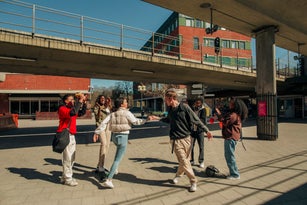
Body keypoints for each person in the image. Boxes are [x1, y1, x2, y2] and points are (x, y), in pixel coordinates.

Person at [148, 88, 213, 192]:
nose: (165, 101)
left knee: (184, 162)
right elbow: (168, 120)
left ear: (171, 98)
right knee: (184, 161)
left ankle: (178, 175)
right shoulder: (170, 110)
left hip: (187, 139)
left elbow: (195, 120)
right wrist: (156, 118)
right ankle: (193, 181)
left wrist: (207, 130)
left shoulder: (184, 107)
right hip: (176, 140)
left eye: (166, 99)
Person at [94, 97, 146, 188]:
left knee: (118, 153)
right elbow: (136, 122)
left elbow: (103, 123)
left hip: (114, 137)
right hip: (123, 137)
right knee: (118, 159)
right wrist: (146, 119)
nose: (127, 103)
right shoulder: (127, 113)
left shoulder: (112, 114)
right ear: (122, 104)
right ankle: (109, 180)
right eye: (125, 102)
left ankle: (115, 169)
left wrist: (96, 132)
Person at [57, 93, 87, 186]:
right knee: (67, 157)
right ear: (65, 101)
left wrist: (83, 103)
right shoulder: (62, 109)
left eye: (73, 100)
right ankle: (68, 178)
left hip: (72, 134)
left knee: (72, 157)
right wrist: (80, 101)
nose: (73, 101)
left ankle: (64, 176)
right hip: (65, 134)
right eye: (71, 100)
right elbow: (72, 113)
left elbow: (81, 113)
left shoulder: (71, 108)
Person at [215, 97, 248, 180]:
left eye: (231, 103)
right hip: (231, 137)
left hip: (231, 137)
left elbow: (225, 121)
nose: (229, 104)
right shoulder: (234, 114)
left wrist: (218, 114)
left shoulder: (233, 115)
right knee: (229, 155)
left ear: (235, 105)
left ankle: (235, 174)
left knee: (229, 156)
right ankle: (233, 172)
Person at [93, 95, 112, 174]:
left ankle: (100, 165)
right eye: (101, 99)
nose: (103, 100)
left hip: (108, 127)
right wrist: (101, 108)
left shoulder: (108, 107)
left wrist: (108, 105)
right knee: (103, 144)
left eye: (104, 98)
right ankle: (100, 167)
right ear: (99, 100)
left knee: (107, 145)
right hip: (100, 127)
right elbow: (97, 117)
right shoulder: (97, 107)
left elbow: (111, 114)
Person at [190, 97, 207, 168]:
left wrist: (194, 120)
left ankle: (201, 161)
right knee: (190, 146)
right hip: (192, 131)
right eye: (196, 103)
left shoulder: (203, 110)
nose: (197, 104)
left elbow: (202, 120)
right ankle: (191, 160)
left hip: (200, 131)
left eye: (198, 103)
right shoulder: (192, 109)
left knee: (201, 147)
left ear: (201, 103)